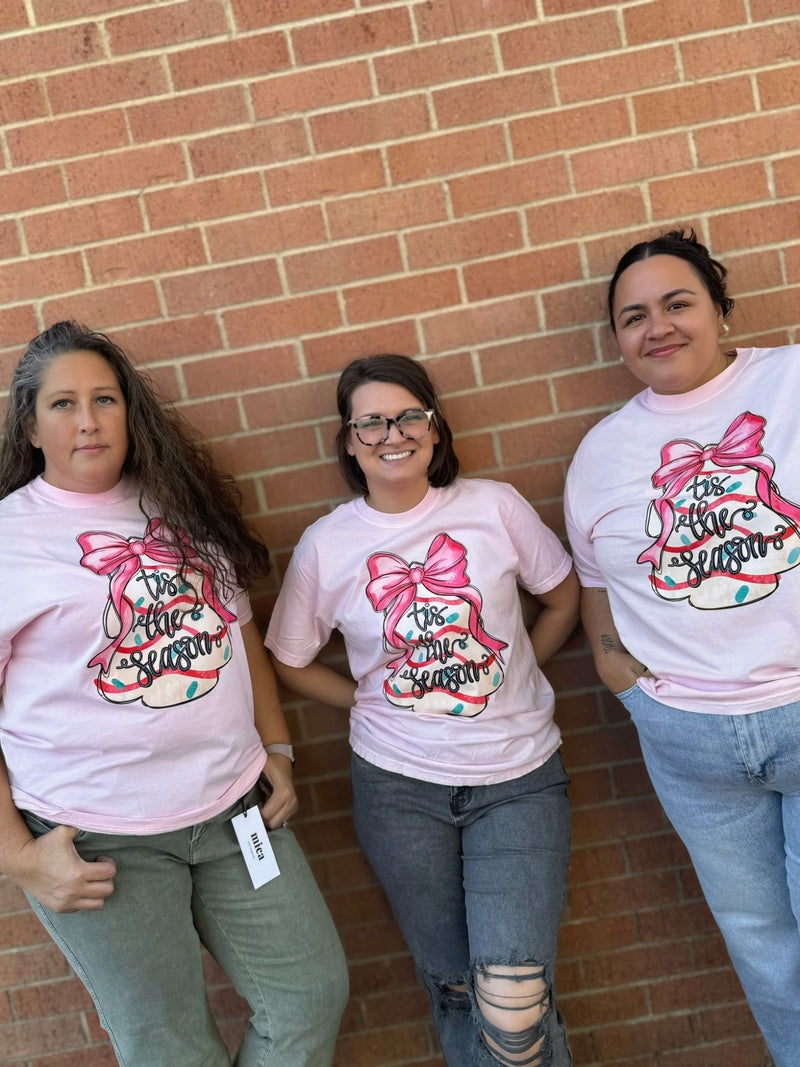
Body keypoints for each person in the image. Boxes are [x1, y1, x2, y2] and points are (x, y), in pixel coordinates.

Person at [0, 321, 349, 1067]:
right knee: (171, 1048)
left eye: (104, 398)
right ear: (30, 424)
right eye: (63, 404)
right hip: (99, 839)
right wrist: (16, 857)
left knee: (310, 993)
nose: (88, 420)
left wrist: (277, 747)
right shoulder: (7, 540)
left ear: (131, 411)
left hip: (234, 811)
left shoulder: (179, 505)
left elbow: (238, 634)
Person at [265, 353, 579, 1067]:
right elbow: (287, 657)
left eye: (408, 415)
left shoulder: (492, 507)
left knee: (514, 991)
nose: (391, 432)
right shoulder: (328, 544)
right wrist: (366, 699)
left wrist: (517, 666)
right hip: (399, 791)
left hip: (519, 778)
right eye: (369, 421)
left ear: (435, 430)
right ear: (348, 442)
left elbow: (563, 595)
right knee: (458, 988)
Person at [564, 229, 800, 1067]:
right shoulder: (602, 452)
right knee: (761, 942)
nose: (656, 328)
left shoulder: (791, 381)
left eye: (676, 303)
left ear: (719, 307)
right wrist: (613, 668)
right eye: (633, 317)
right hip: (689, 739)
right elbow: (598, 579)